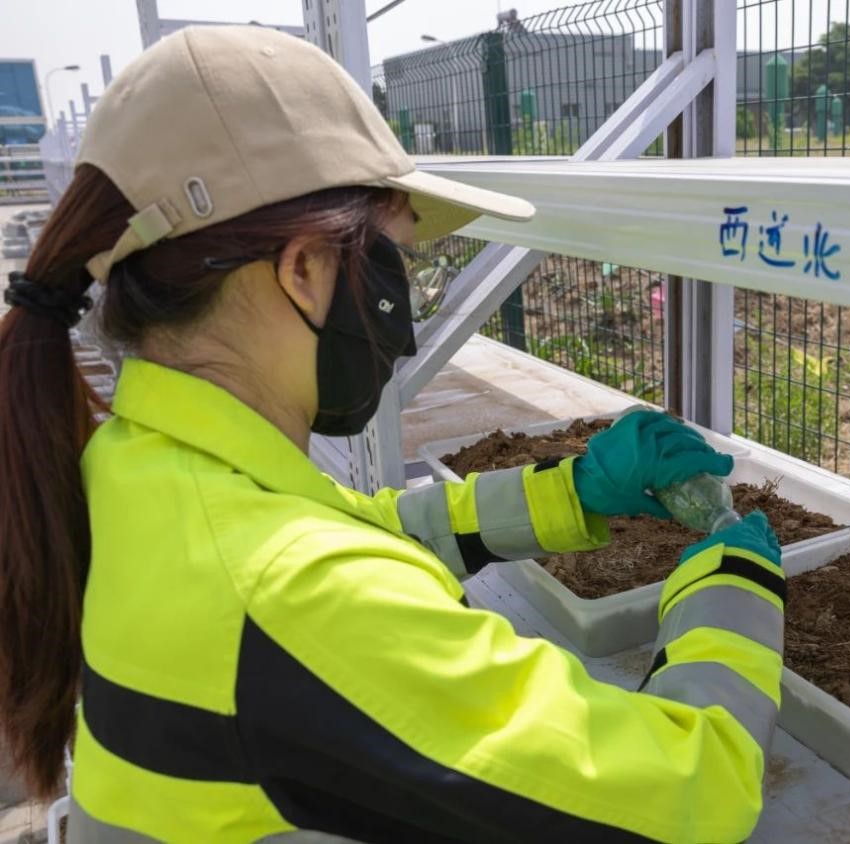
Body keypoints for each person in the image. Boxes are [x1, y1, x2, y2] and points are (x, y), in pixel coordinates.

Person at [0, 26, 786, 843]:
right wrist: (731, 584)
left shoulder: (135, 463)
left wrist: (570, 493)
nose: (398, 313)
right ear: (304, 269)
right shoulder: (291, 597)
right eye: (395, 266)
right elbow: (696, 789)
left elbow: (353, 530)